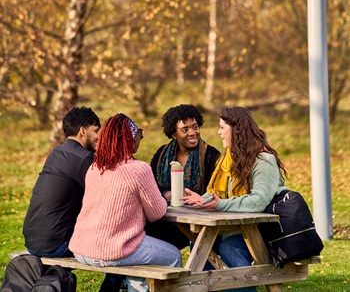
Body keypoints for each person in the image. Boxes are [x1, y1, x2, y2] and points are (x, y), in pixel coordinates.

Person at [69, 113, 182, 292]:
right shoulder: (138, 169)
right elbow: (157, 213)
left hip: (81, 248)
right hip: (110, 250)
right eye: (138, 134)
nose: (140, 138)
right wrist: (163, 197)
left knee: (140, 255)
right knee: (173, 255)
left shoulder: (95, 167)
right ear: (130, 139)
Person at [182, 106, 288, 292]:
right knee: (199, 242)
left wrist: (220, 205)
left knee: (230, 248)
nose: (219, 132)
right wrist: (203, 200)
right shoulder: (229, 158)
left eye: (222, 127)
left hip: (260, 230)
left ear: (236, 130)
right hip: (233, 226)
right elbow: (221, 193)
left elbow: (258, 201)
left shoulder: (264, 160)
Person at [23, 106, 101, 258]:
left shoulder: (57, 152)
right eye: (96, 131)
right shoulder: (84, 158)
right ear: (83, 131)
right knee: (114, 243)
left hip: (33, 242)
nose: (98, 137)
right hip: (57, 245)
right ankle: (113, 282)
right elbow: (106, 196)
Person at [148, 104, 220, 249]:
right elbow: (150, 183)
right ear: (174, 133)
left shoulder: (211, 155)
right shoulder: (162, 154)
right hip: (167, 219)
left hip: (200, 220)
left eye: (195, 127)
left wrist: (195, 198)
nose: (192, 132)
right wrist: (166, 193)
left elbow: (216, 190)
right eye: (184, 130)